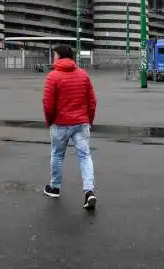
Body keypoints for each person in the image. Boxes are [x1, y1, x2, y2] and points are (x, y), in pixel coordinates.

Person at [42, 44, 98, 210]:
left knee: (57, 155)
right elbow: (92, 101)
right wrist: (89, 120)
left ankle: (54, 187)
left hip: (60, 123)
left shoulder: (53, 76)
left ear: (59, 56)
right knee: (85, 156)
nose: (53, 58)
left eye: (54, 55)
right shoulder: (83, 74)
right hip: (81, 124)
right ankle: (89, 191)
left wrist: (49, 121)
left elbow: (48, 104)